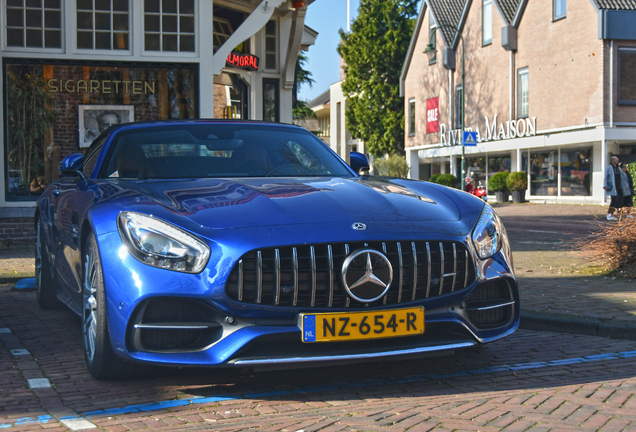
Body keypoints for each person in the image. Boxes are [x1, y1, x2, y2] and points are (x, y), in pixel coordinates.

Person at [603, 156, 630, 221]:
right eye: (616, 160)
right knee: (614, 200)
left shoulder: (618, 168)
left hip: (619, 187)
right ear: (613, 161)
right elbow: (606, 177)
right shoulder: (609, 168)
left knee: (619, 199)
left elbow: (623, 176)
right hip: (613, 187)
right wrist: (605, 185)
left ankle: (613, 213)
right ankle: (609, 214)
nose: (617, 161)